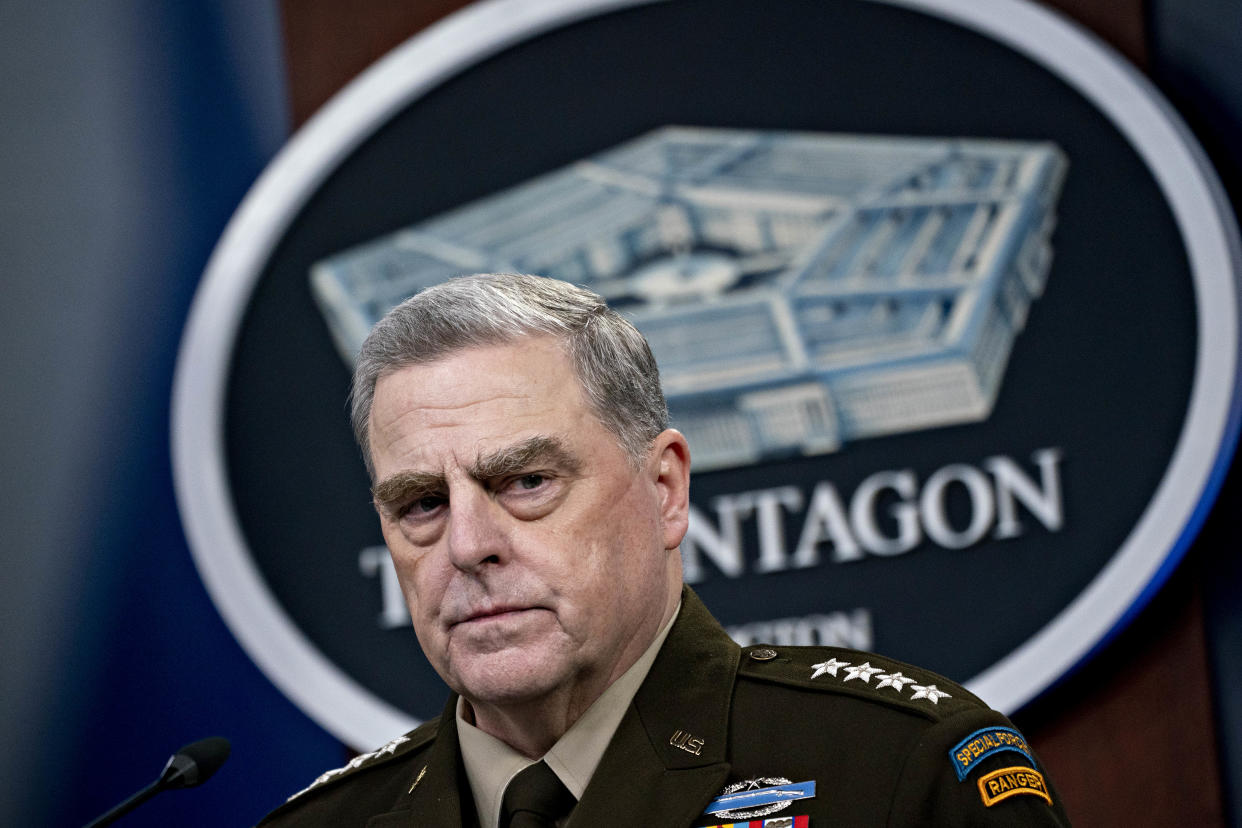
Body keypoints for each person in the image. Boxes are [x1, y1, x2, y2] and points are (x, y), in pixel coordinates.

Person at [258, 273, 1070, 827]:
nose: (468, 546)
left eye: (526, 481)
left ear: (665, 489)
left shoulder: (900, 771)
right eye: (422, 504)